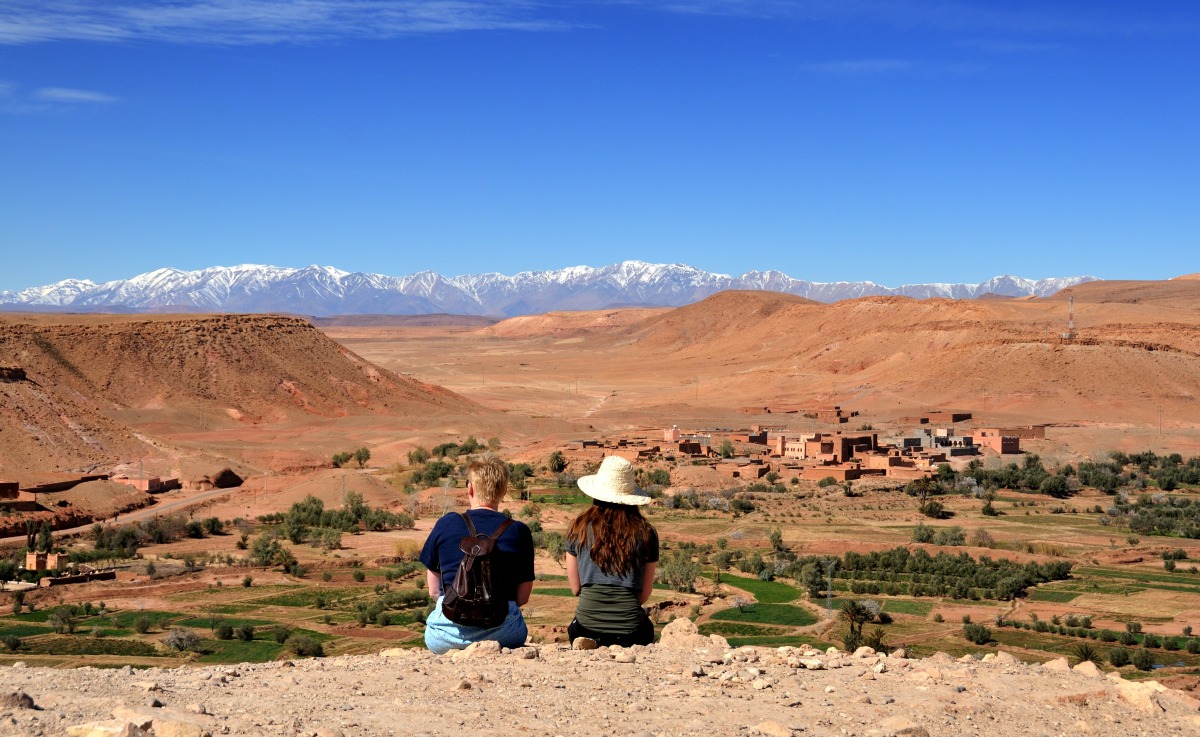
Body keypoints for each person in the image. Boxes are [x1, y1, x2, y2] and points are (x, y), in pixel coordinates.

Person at [420, 456, 534, 654]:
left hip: (444, 637)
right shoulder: (519, 531)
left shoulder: (446, 524)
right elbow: (522, 598)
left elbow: (433, 592)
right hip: (505, 635)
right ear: (504, 491)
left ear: (470, 488)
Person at [565, 455, 659, 647]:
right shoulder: (647, 532)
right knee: (647, 630)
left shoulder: (578, 528)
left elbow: (576, 589)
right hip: (631, 631)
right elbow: (644, 595)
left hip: (585, 627)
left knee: (575, 628)